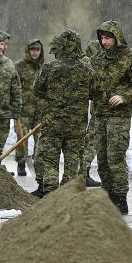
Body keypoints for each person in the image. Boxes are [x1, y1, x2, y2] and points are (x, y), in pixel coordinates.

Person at [89, 20, 132, 214]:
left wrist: (124, 97)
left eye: (108, 38)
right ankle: (107, 195)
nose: (104, 42)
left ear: (117, 38)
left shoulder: (131, 57)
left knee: (116, 157)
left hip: (119, 116)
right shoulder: (96, 58)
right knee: (103, 158)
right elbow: (89, 84)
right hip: (99, 113)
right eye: (102, 38)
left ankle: (121, 198)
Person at [30, 30, 95, 197]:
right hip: (77, 126)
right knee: (72, 161)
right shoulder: (87, 68)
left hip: (53, 124)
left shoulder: (50, 68)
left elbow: (37, 90)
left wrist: (55, 97)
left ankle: (50, 193)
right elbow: (96, 93)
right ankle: (67, 196)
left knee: (50, 160)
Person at [14, 39, 44, 177]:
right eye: (32, 50)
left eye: (37, 50)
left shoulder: (45, 67)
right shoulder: (19, 67)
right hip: (24, 109)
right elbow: (13, 87)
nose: (35, 52)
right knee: (22, 137)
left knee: (41, 138)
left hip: (40, 109)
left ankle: (39, 164)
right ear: (28, 51)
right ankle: (21, 163)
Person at [79, 39, 102, 187]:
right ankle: (83, 173)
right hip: (97, 107)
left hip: (92, 107)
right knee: (92, 140)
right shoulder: (91, 65)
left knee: (90, 140)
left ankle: (83, 172)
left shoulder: (84, 63)